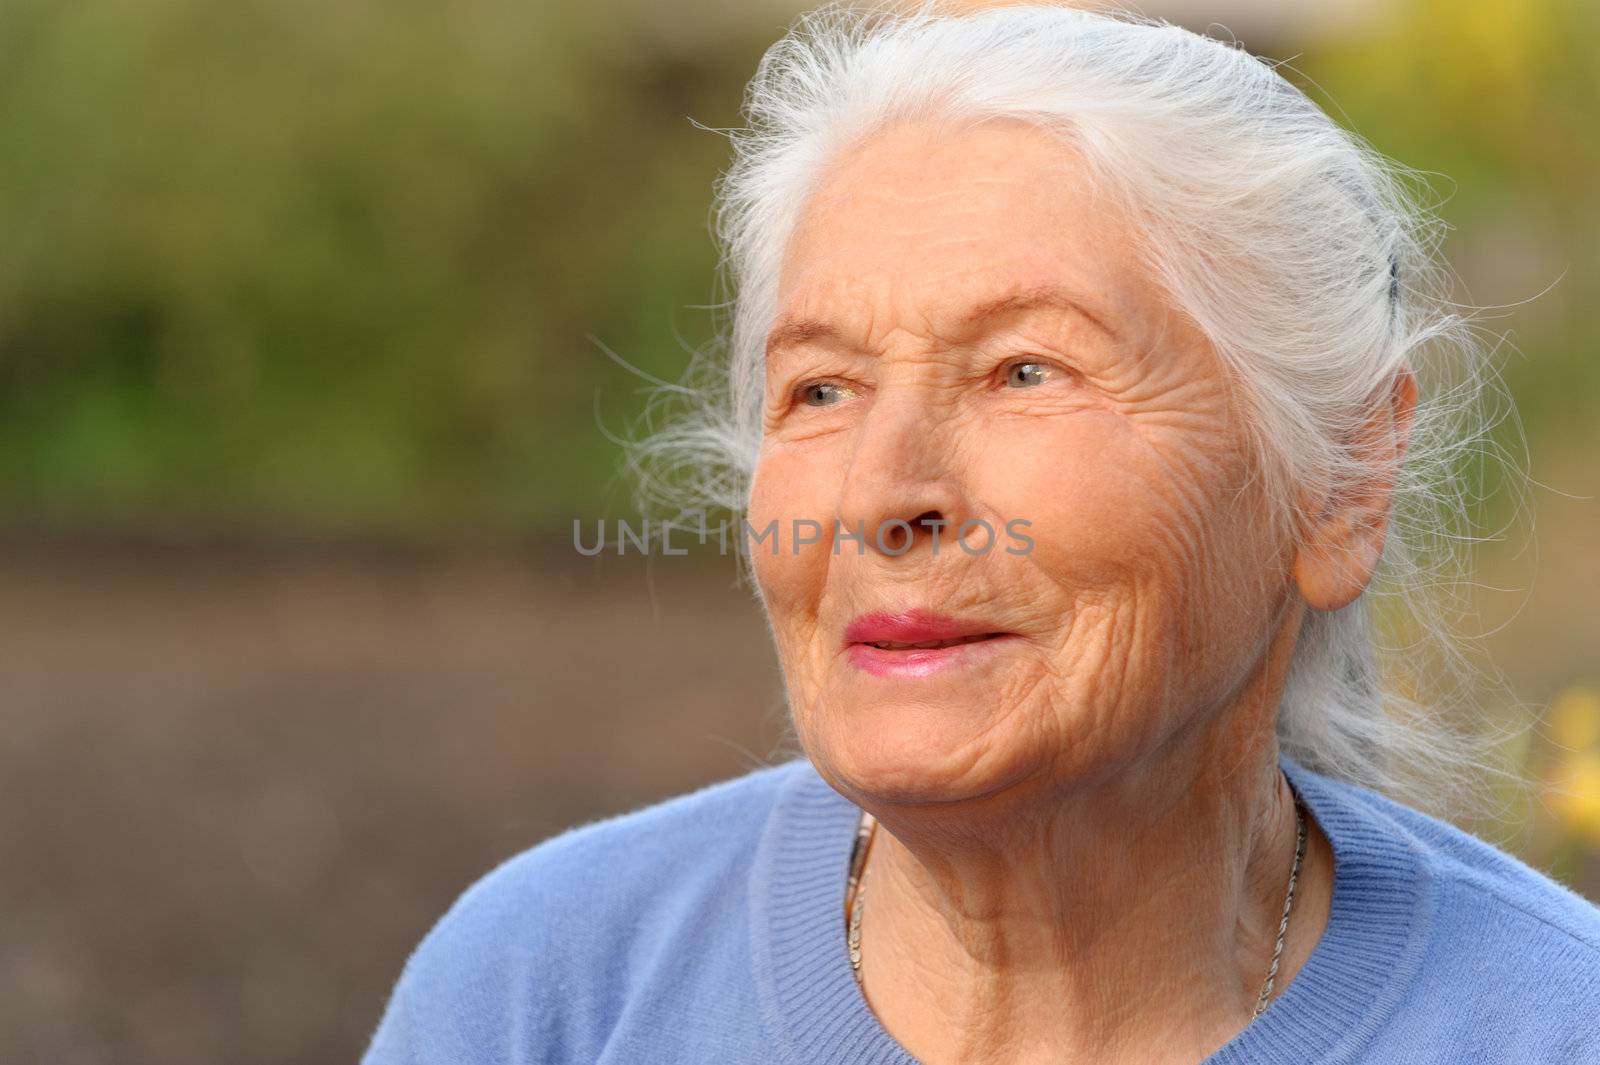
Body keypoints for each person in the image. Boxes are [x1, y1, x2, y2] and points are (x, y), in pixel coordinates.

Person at [362, 4, 1600, 1062]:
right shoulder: (545, 994)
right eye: (822, 391)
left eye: (1024, 372)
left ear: (1342, 482)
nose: (877, 493)